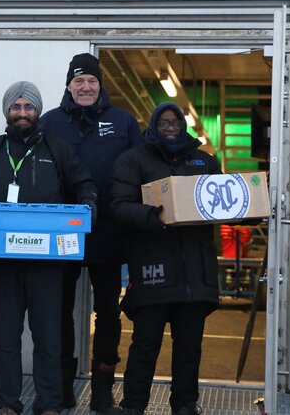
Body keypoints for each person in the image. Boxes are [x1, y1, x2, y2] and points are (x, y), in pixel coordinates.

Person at [0, 81, 98, 415]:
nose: (22, 113)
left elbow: (83, 182)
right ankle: (7, 404)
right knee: (6, 338)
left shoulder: (58, 149)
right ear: (7, 112)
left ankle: (49, 404)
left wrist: (89, 200)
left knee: (48, 338)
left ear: (38, 111)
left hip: (48, 264)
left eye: (28, 107)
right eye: (16, 107)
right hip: (3, 263)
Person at [38, 52, 142, 413]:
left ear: (101, 85)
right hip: (61, 232)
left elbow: (140, 171)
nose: (86, 87)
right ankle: (62, 388)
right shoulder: (49, 122)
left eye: (92, 81)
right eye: (79, 81)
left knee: (108, 313)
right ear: (68, 85)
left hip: (109, 232)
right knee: (59, 311)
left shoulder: (124, 122)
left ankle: (101, 392)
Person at [109, 102, 221, 415]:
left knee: (189, 348)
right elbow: (118, 206)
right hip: (152, 269)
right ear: (154, 125)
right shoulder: (133, 161)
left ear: (183, 125)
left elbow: (226, 203)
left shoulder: (205, 162)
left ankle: (185, 406)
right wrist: (152, 216)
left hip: (195, 275)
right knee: (145, 345)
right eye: (164, 123)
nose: (171, 128)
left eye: (175, 123)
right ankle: (133, 406)